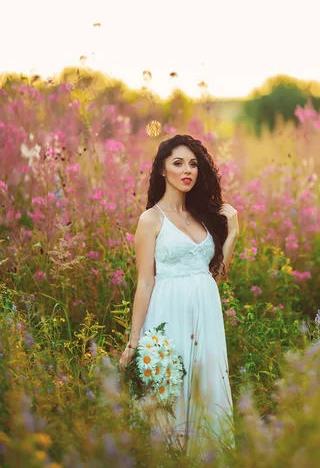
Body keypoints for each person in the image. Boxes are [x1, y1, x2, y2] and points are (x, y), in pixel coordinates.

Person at [119, 133, 239, 456]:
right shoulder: (151, 220)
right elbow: (145, 282)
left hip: (206, 314)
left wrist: (233, 234)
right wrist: (133, 343)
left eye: (193, 164)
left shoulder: (201, 217)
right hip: (168, 313)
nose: (187, 170)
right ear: (162, 170)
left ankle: (209, 458)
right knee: (172, 396)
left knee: (206, 387)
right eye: (178, 163)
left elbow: (212, 274)